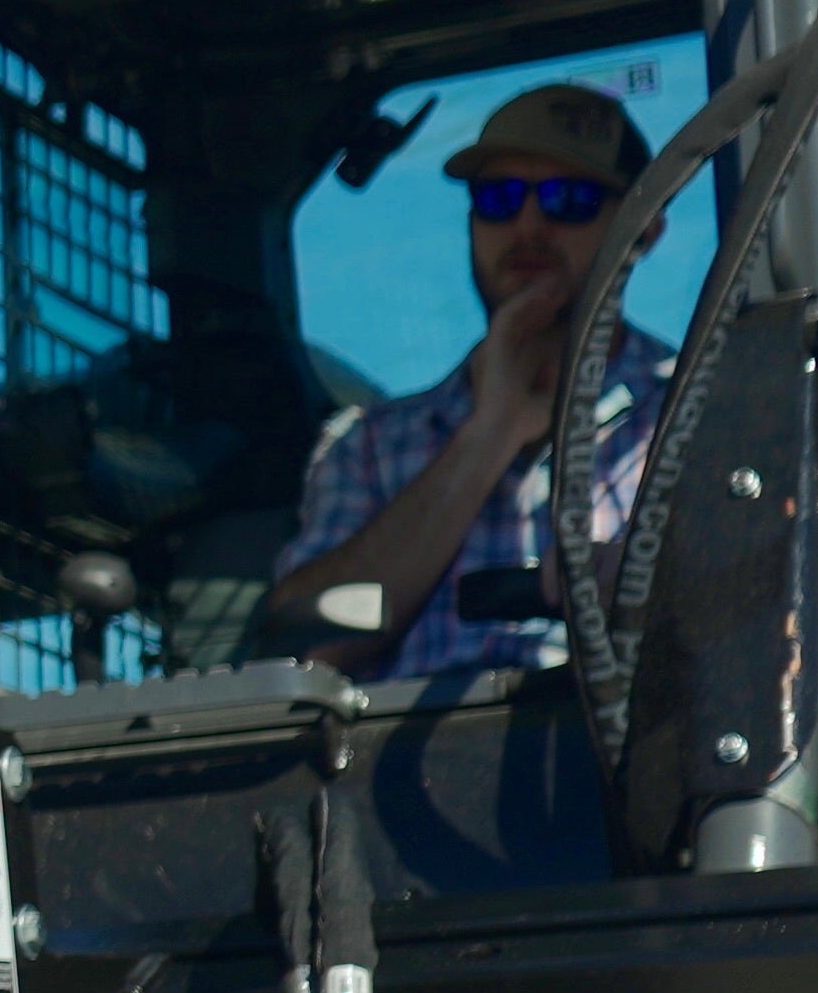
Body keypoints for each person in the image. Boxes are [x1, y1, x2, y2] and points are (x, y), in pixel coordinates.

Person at [266, 83, 675, 679]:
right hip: (402, 767)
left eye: (570, 199)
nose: (528, 226)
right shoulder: (368, 444)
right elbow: (307, 647)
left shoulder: (704, 407)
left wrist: (652, 587)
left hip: (625, 759)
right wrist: (488, 434)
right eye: (499, 197)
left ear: (644, 232)